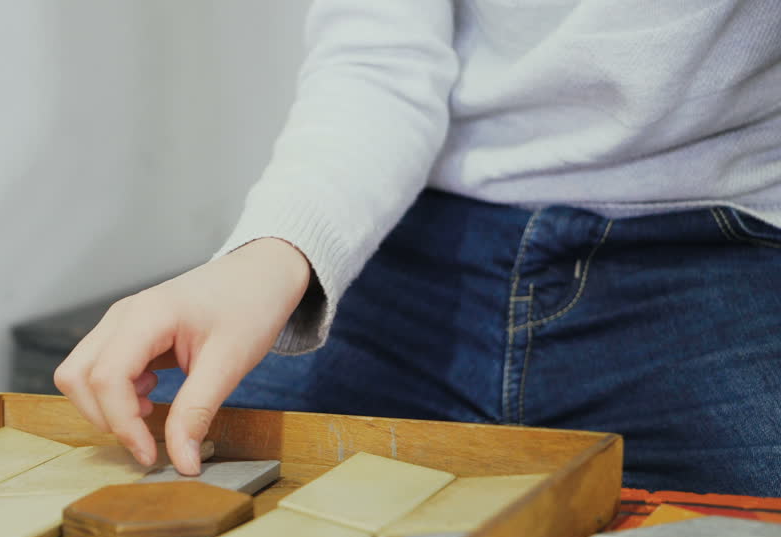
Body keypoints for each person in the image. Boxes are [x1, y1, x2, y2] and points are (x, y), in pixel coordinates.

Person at [53, 1, 781, 497]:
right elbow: (380, 59)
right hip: (416, 245)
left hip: (720, 245)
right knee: (143, 476)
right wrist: (270, 252)